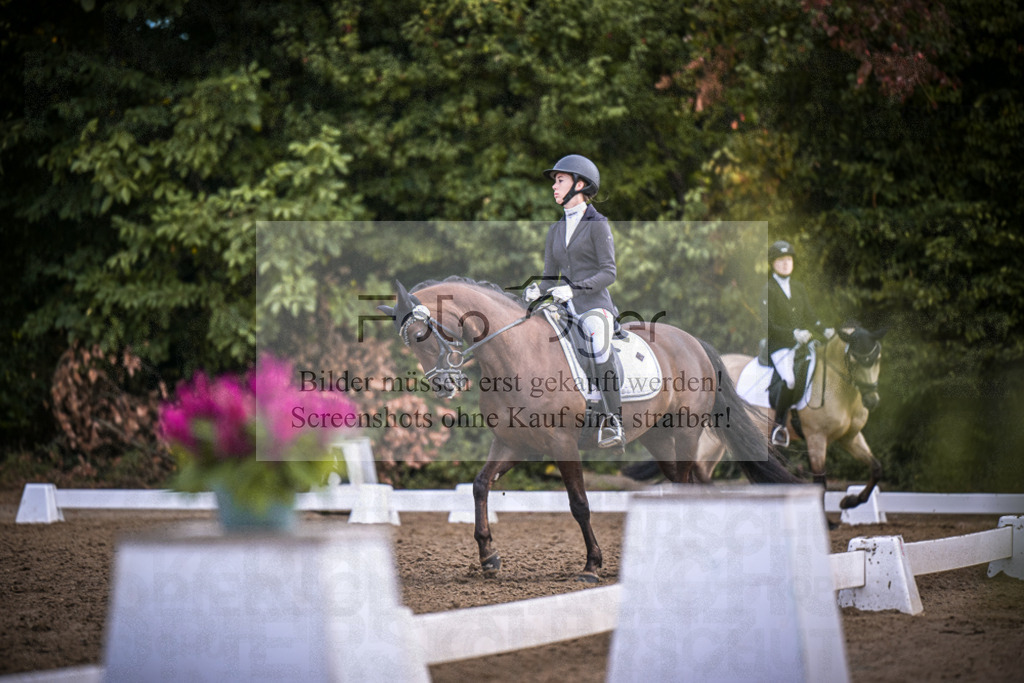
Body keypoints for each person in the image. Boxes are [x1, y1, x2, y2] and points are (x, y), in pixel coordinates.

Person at [524, 154, 623, 448]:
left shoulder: (598, 224)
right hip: (563, 310)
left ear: (580, 184)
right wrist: (535, 290)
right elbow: (548, 277)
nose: (554, 186)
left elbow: (609, 272)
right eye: (555, 181)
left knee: (597, 345)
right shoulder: (555, 229)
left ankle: (612, 419)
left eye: (560, 180)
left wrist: (575, 289)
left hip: (594, 307)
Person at [760, 240, 832, 447]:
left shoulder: (798, 287)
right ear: (773, 264)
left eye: (788, 260)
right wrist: (793, 334)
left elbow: (810, 315)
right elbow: (769, 324)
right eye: (781, 260)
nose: (785, 264)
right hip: (779, 346)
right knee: (789, 379)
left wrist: (824, 328)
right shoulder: (768, 289)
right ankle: (779, 427)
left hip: (802, 344)